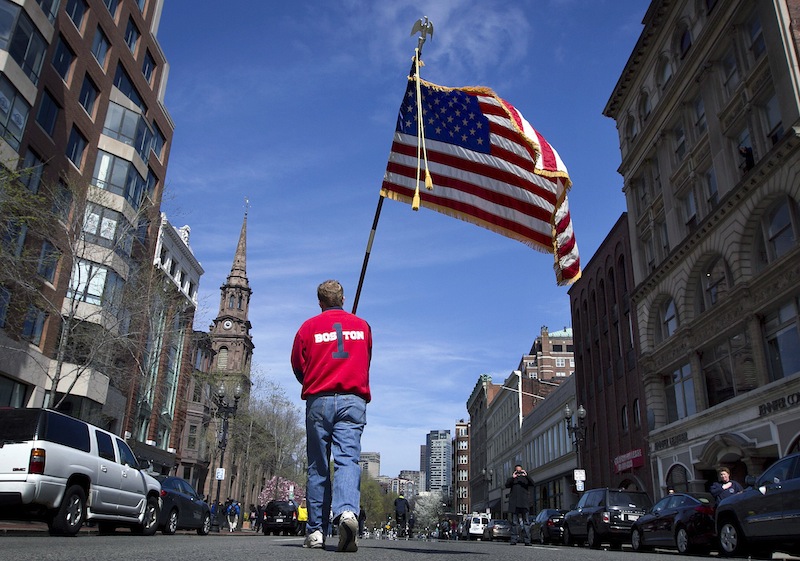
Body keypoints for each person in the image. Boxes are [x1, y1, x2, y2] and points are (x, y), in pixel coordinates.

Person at [291, 280, 372, 552]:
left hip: (319, 399)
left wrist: (312, 380)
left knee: (318, 465)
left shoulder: (307, 328)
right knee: (348, 459)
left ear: (320, 303)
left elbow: (297, 364)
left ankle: (315, 531)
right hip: (352, 399)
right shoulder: (362, 327)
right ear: (343, 298)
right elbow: (365, 359)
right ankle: (347, 513)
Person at [505, 464, 534, 546]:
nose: (519, 473)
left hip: (524, 504)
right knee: (514, 523)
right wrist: (512, 477)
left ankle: (527, 540)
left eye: (520, 471)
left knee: (526, 523)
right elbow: (506, 485)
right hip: (514, 504)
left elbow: (532, 484)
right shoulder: (512, 480)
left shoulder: (525, 479)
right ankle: (514, 540)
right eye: (517, 471)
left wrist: (526, 475)